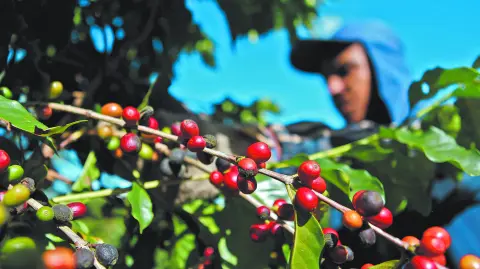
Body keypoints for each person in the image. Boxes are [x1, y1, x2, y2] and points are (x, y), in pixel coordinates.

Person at [266, 19, 478, 267]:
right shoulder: (328, 145)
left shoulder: (446, 139)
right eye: (327, 77)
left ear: (381, 68)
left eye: (344, 70)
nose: (332, 88)